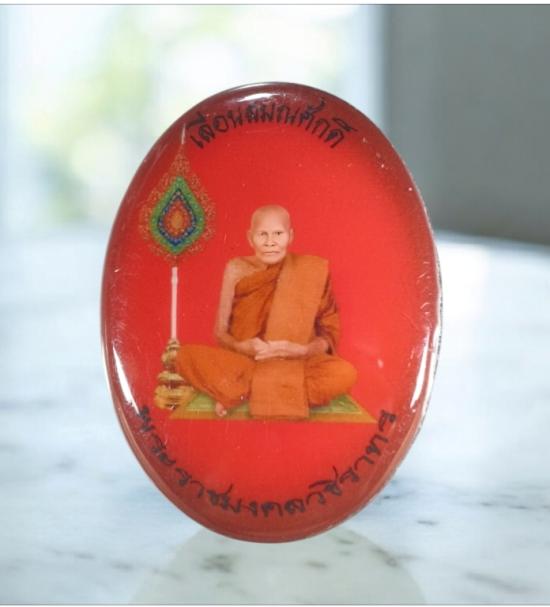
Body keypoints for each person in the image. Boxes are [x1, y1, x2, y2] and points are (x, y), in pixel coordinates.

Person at [175, 204, 357, 420]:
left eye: (278, 234)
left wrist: (300, 350)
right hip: (246, 362)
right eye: (262, 234)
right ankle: (273, 391)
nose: (270, 242)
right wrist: (241, 346)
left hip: (295, 363)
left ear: (290, 236)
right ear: (250, 238)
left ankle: (241, 392)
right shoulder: (236, 268)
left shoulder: (312, 269)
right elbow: (220, 332)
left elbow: (327, 334)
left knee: (345, 373)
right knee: (184, 356)